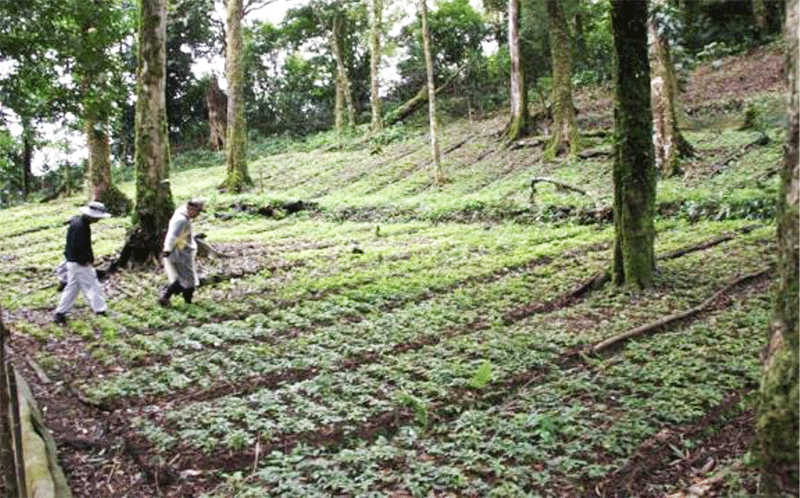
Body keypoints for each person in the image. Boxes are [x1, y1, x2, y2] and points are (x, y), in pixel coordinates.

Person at [54, 201, 112, 323]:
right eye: (97, 218)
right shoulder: (82, 227)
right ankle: (100, 310)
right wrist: (86, 261)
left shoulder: (76, 222)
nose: (98, 220)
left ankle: (60, 313)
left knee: (72, 288)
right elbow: (80, 246)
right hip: (79, 262)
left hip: (71, 261)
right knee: (92, 285)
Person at [159, 199, 204, 307]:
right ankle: (182, 301)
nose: (198, 215)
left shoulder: (182, 212)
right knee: (190, 281)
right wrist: (167, 252)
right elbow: (172, 237)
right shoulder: (181, 220)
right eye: (197, 212)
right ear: (191, 209)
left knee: (183, 278)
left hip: (181, 250)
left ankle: (168, 297)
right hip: (180, 253)